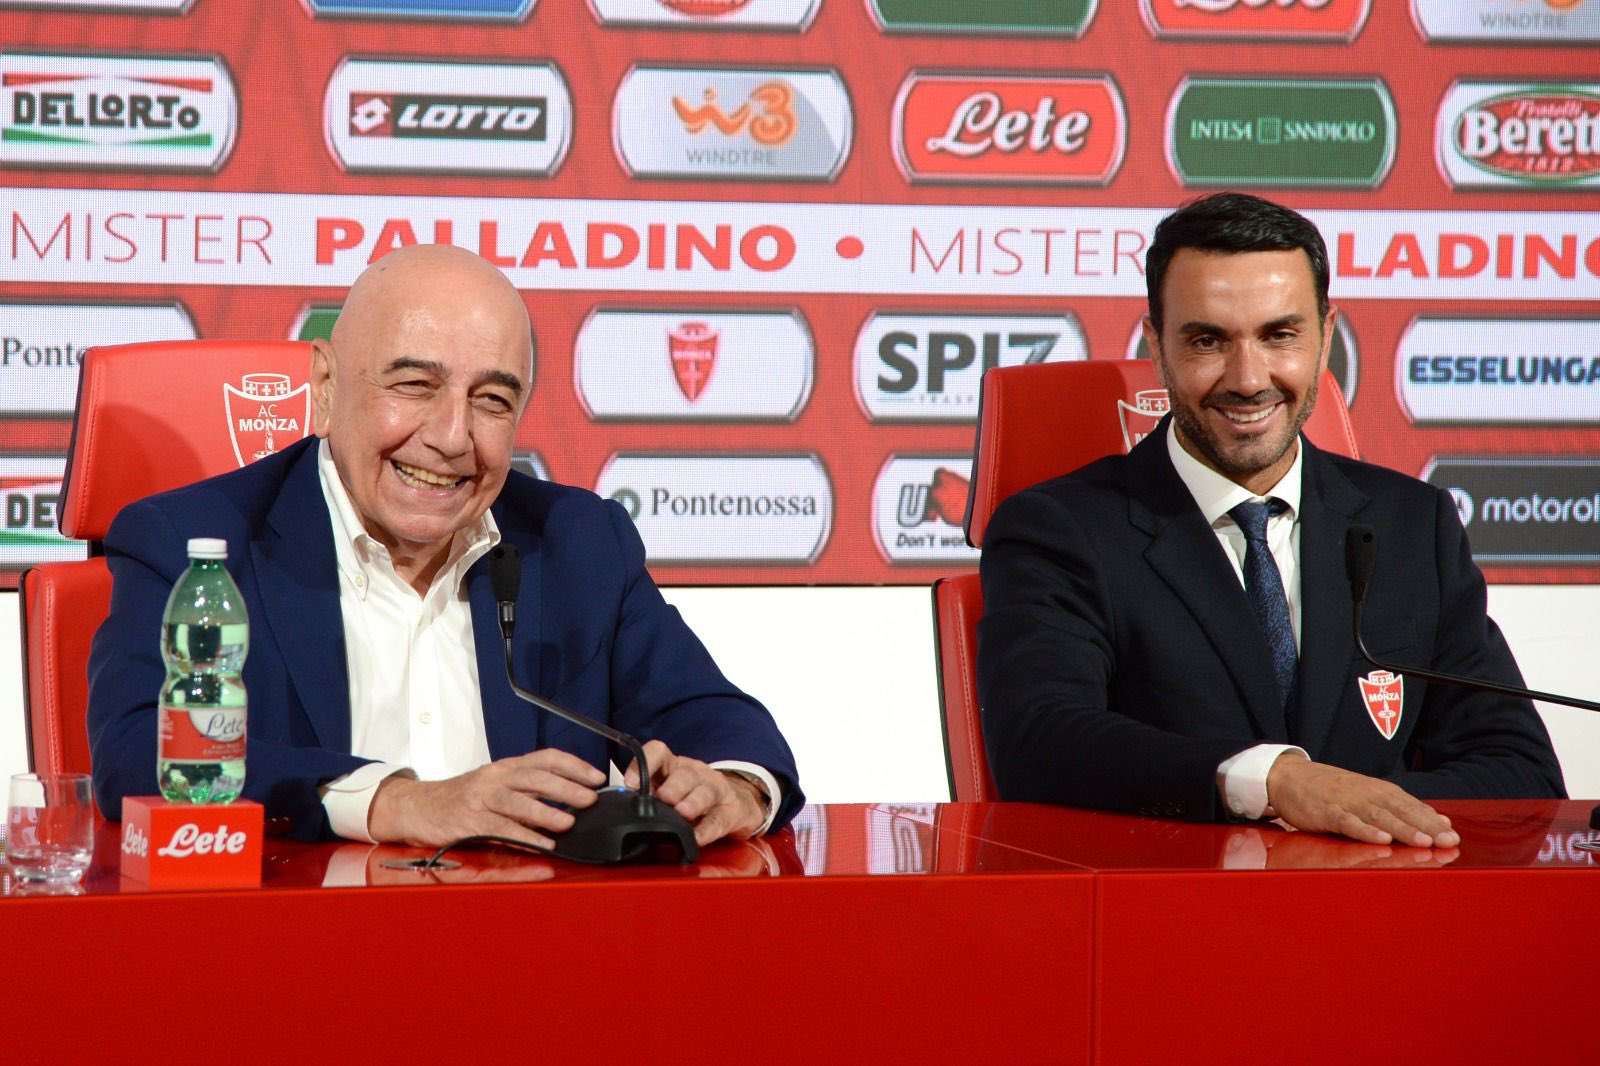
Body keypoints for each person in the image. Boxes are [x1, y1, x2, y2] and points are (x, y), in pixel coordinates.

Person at [88, 244, 801, 847]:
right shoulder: (195, 546)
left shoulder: (578, 544)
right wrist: (397, 802)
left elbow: (718, 720)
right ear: (326, 387)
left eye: (492, 400)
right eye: (414, 384)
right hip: (297, 944)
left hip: (531, 946)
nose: (453, 437)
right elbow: (137, 750)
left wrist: (733, 786)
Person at [977, 192, 1565, 848]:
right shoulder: (1060, 529)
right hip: (1171, 902)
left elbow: (1522, 774)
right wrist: (1272, 783)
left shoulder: (1412, 523)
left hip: (1376, 901)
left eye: (1279, 335)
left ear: (1325, 336)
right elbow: (1039, 740)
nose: (1248, 378)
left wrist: (1354, 811)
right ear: (1157, 345)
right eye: (1207, 341)